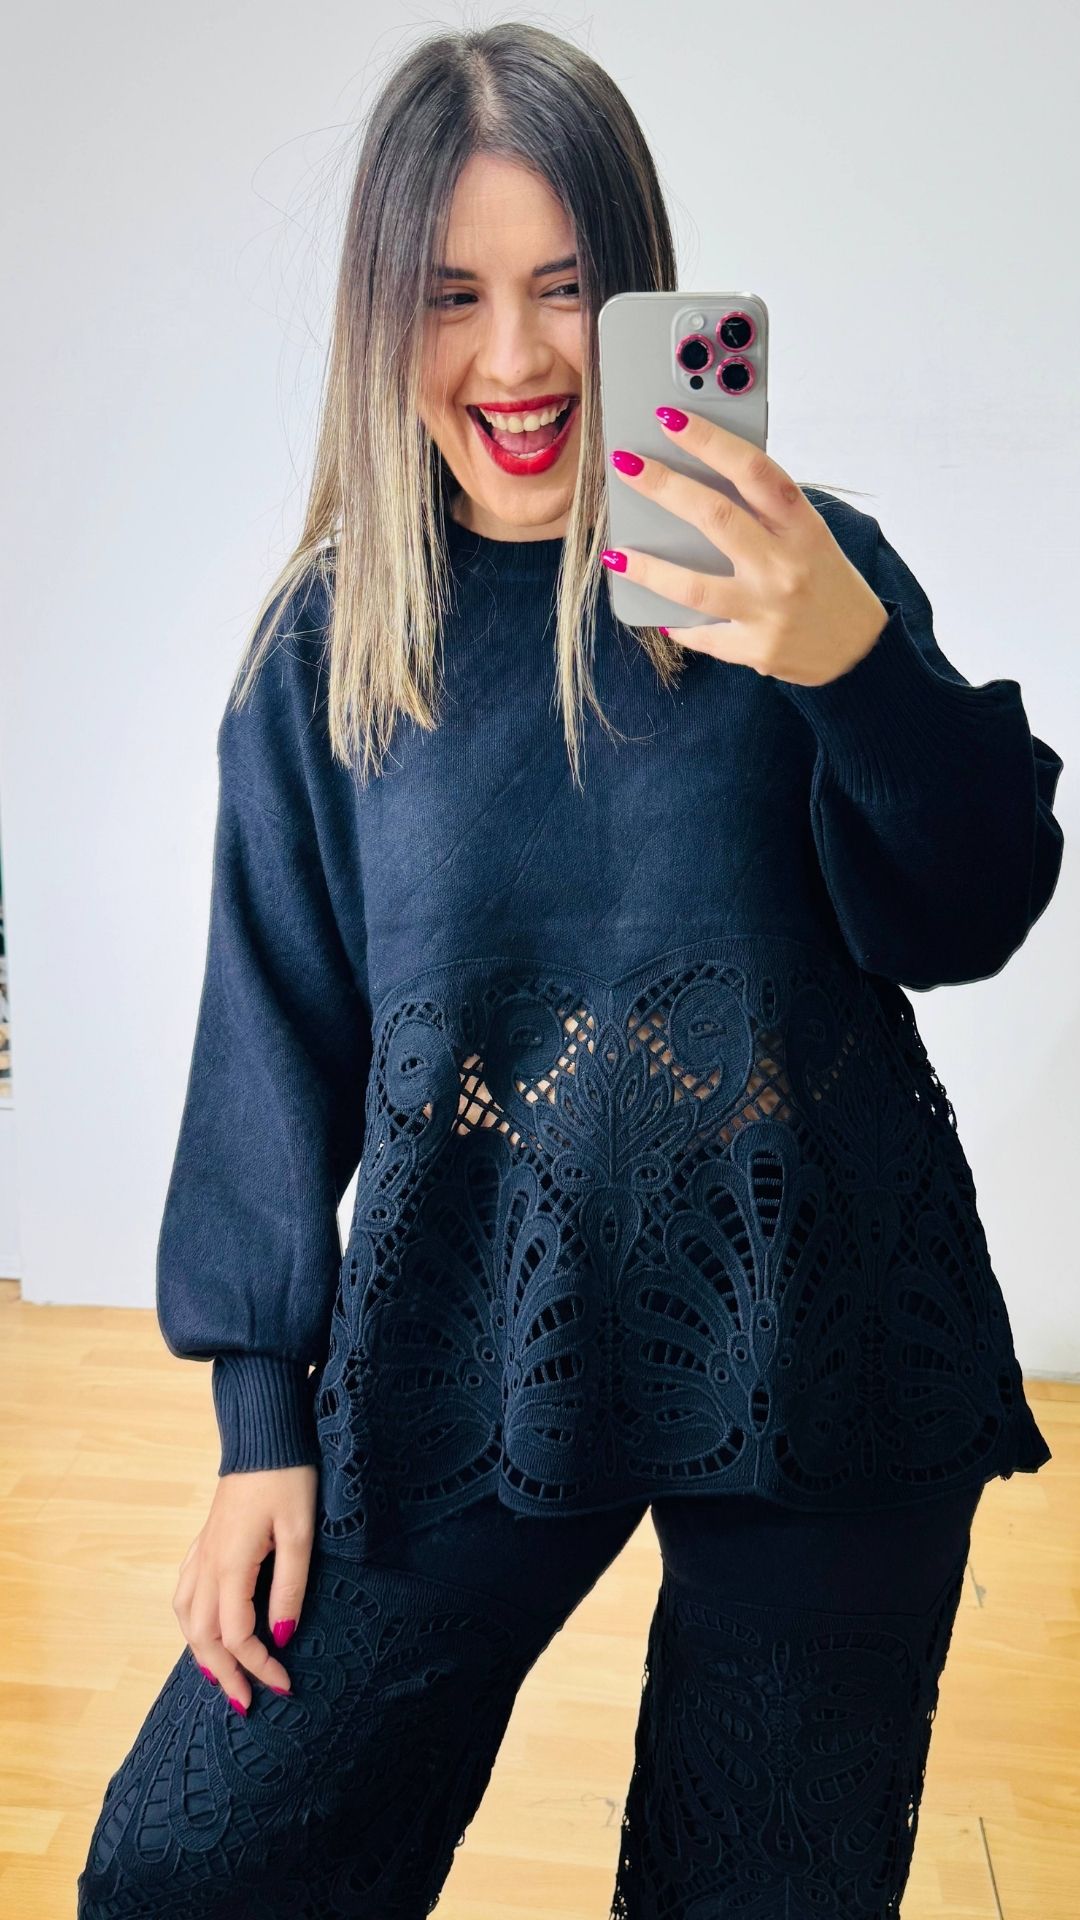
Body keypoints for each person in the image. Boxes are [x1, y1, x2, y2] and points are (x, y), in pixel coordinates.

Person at [77, 21, 1064, 1920]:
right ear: (382, 322)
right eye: (452, 297)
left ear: (641, 299)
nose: (518, 360)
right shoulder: (328, 653)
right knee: (190, 1871)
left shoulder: (798, 569)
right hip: (475, 1325)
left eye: (563, 288)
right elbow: (266, 1043)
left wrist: (852, 661)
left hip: (823, 1338)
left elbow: (977, 908)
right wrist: (259, 1428)